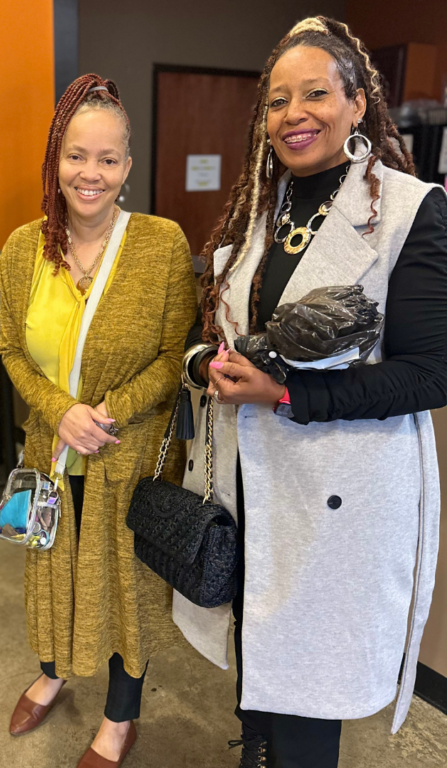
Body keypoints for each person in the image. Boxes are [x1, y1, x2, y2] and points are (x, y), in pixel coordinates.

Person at [177, 16, 447, 768]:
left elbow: (432, 372)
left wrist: (286, 395)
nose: (293, 115)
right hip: (252, 475)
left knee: (309, 684)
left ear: (358, 103)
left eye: (315, 94)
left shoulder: (408, 209)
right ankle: (255, 750)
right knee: (258, 648)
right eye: (276, 101)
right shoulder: (262, 212)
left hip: (339, 491)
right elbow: (215, 333)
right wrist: (207, 367)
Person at [0, 74, 195, 767]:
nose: (91, 174)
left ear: (128, 166)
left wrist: (104, 414)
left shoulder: (162, 245)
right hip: (47, 454)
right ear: (56, 159)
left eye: (108, 159)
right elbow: (11, 351)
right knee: (50, 573)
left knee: (123, 592)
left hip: (126, 456)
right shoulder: (24, 248)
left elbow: (175, 357)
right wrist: (61, 412)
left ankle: (119, 718)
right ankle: (53, 672)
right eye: (77, 155)